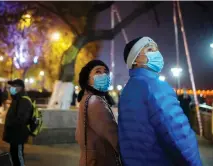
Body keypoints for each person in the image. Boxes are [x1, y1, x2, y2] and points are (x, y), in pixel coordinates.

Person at [119, 37, 202, 166]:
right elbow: (179, 136)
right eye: (150, 49)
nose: (157, 53)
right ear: (135, 59)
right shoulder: (156, 86)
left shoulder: (127, 90)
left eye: (157, 49)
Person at [75, 60, 120, 166]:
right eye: (98, 72)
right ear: (87, 79)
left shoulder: (86, 98)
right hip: (100, 161)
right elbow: (113, 135)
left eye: (105, 72)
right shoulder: (95, 101)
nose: (103, 75)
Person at [3, 79, 33, 166]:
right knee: (13, 155)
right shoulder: (17, 99)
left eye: (14, 86)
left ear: (20, 88)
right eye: (11, 86)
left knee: (18, 156)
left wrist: (10, 124)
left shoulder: (24, 100)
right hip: (14, 134)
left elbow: (21, 119)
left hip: (18, 134)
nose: (11, 88)